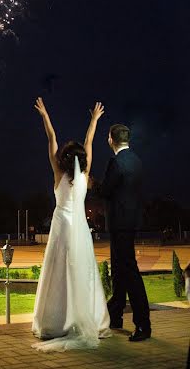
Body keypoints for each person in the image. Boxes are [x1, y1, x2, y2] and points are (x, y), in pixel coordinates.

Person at [32, 98, 110, 352]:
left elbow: (51, 138)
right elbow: (89, 143)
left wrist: (45, 115)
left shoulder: (57, 172)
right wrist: (94, 120)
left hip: (61, 227)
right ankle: (88, 317)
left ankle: (55, 322)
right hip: (80, 229)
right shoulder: (85, 177)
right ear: (82, 161)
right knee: (83, 270)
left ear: (64, 158)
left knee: (58, 270)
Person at [100, 124, 151, 342]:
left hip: (119, 223)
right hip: (131, 222)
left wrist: (93, 186)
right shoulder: (137, 161)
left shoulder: (117, 162)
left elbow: (106, 191)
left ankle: (143, 324)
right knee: (119, 270)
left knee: (128, 271)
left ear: (111, 140)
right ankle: (116, 313)